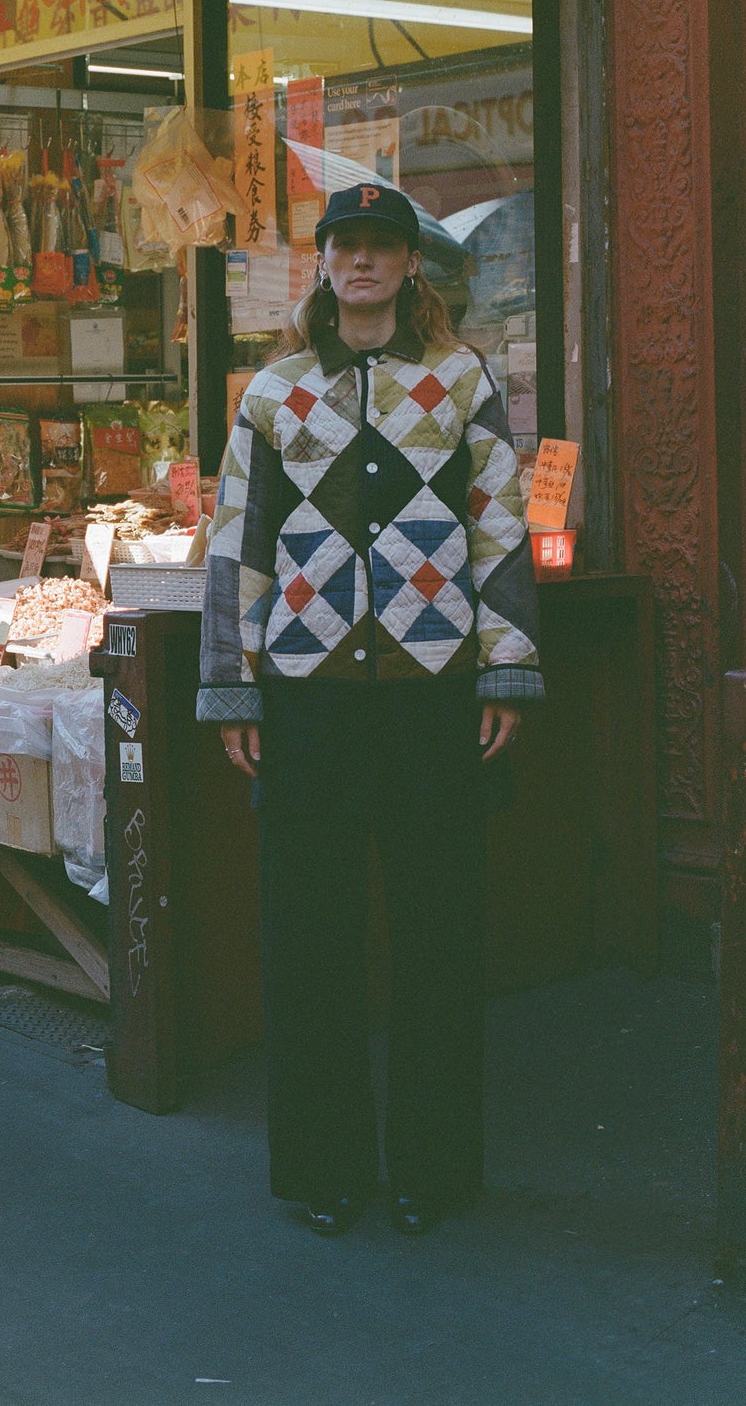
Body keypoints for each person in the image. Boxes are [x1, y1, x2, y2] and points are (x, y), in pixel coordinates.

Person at [198, 182, 543, 1237]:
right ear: (323, 263)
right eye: (342, 243)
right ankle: (322, 1170)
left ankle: (431, 1174)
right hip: (305, 701)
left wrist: (505, 664)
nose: (359, 260)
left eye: (379, 246)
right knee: (309, 936)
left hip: (431, 696)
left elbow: (498, 524)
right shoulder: (271, 392)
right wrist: (229, 682)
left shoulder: (457, 381)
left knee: (439, 931)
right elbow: (234, 544)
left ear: (406, 265)